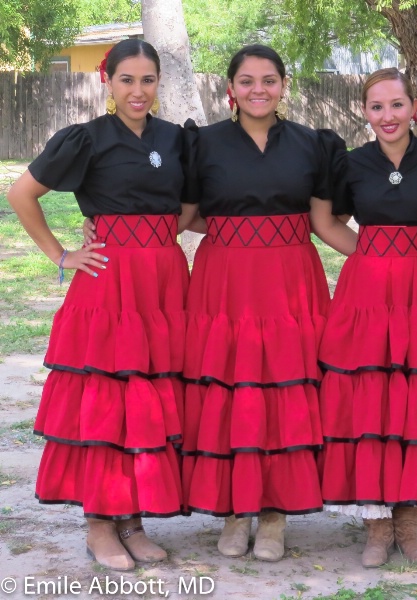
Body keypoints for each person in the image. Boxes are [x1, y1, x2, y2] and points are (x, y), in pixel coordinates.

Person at [6, 39, 191, 571]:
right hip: (109, 284)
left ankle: (132, 520)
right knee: (107, 400)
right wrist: (62, 254)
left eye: (148, 80)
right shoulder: (86, 139)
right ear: (107, 81)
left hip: (162, 282)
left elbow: (188, 205)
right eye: (128, 79)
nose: (138, 90)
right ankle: (99, 523)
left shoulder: (175, 139)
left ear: (159, 83)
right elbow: (21, 194)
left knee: (148, 398)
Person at [178, 45, 337, 561]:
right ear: (231, 88)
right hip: (225, 279)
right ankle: (233, 511)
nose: (258, 90)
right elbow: (185, 213)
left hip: (291, 277)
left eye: (269, 79)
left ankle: (273, 516)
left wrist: (384, 257)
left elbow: (325, 219)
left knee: (282, 389)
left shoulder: (313, 144)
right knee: (230, 387)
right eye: (246, 81)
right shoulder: (202, 143)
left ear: (284, 85)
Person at [311, 68, 417, 568]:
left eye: (397, 105)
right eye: (377, 107)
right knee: (372, 401)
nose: (388, 116)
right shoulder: (351, 163)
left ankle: (410, 525)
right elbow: (324, 220)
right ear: (365, 111)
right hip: (368, 291)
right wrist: (372, 253)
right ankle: (377, 529)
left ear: (414, 106)